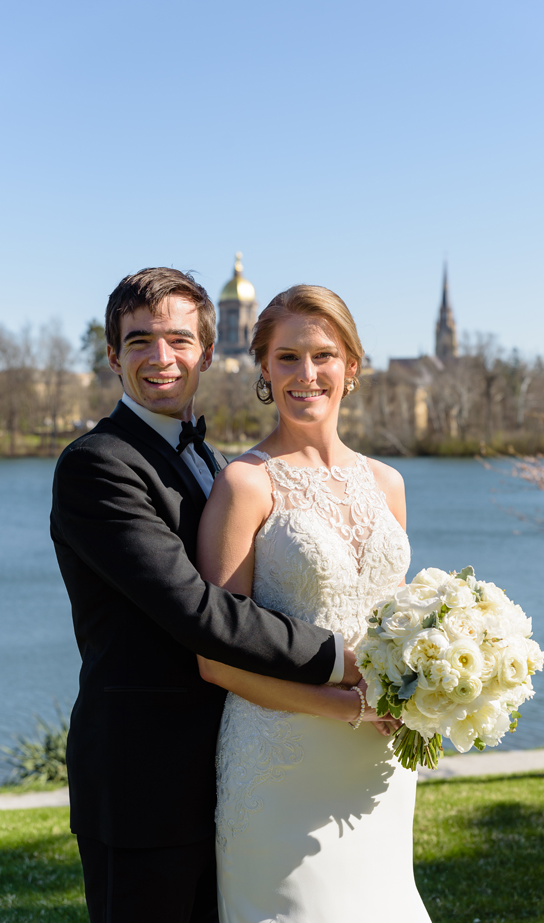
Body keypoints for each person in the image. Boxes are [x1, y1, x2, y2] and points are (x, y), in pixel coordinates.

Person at [50, 267, 380, 922]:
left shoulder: (213, 460)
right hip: (145, 782)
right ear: (113, 356)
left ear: (206, 350)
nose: (161, 357)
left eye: (177, 339)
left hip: (233, 771)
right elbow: (200, 614)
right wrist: (352, 661)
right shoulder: (99, 465)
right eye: (139, 341)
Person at [198, 285, 429, 920]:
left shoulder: (389, 483)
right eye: (288, 357)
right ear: (264, 369)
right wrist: (349, 708)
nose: (307, 374)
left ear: (352, 366)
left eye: (324, 355)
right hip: (281, 766)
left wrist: (439, 684)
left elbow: (400, 629)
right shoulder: (244, 484)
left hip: (382, 764)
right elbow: (216, 661)